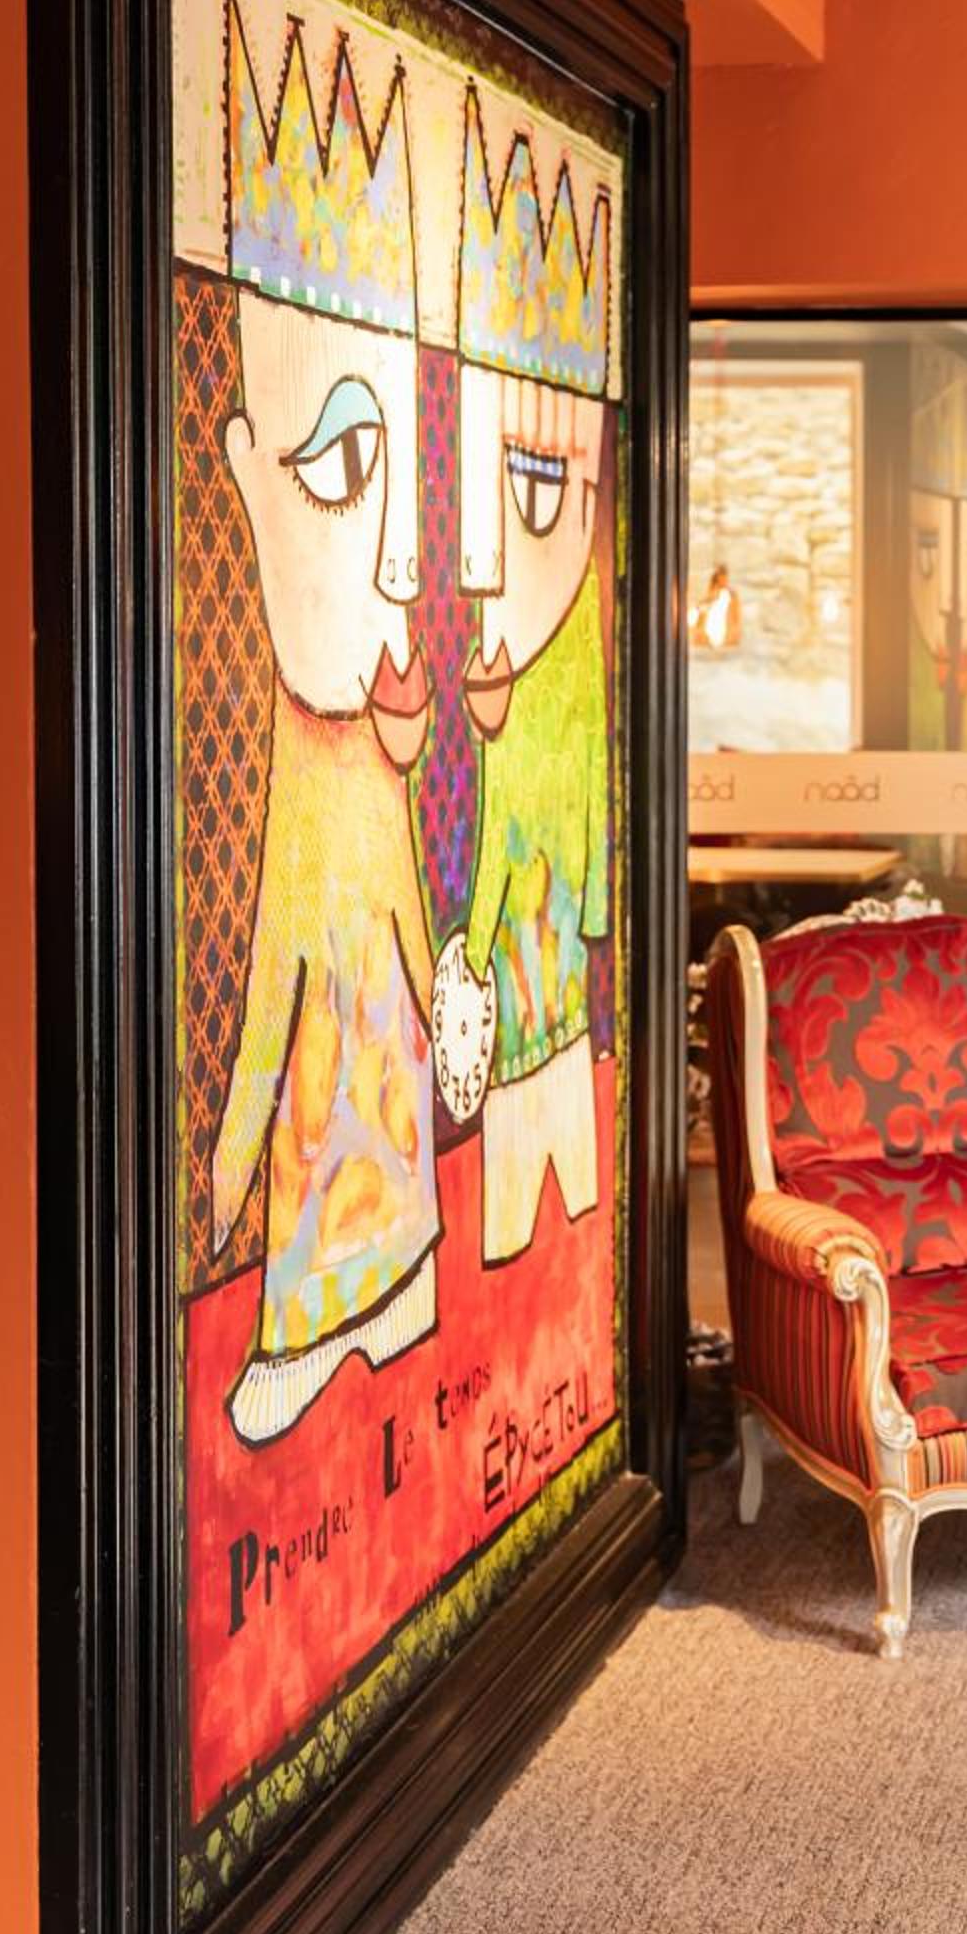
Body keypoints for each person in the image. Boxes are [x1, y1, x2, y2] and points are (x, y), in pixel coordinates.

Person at [209, 0, 441, 1443]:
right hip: (322, 1110)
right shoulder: (300, 784)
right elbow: (267, 992)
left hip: (397, 1107)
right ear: (246, 472)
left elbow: (411, 919)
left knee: (371, 1127)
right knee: (315, 1126)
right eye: (349, 469)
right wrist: (236, 1157)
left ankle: (394, 1284)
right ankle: (313, 1319)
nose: (409, 567)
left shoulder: (366, 774)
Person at [449, 84, 613, 1265]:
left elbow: (534, 848)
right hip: (540, 960)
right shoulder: (527, 693)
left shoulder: (567, 689)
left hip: (539, 953)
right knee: (538, 1118)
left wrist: (485, 937)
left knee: (543, 1108)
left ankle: (517, 1227)